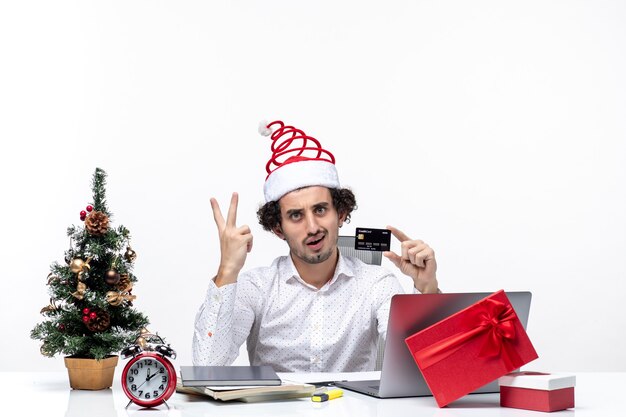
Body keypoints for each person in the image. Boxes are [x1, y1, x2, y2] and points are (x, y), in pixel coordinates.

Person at [192, 120, 440, 372]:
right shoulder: (256, 288)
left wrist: (427, 289)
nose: (312, 227)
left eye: (320, 210)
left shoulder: (376, 285)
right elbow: (207, 367)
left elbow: (424, 365)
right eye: (296, 215)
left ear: (340, 214)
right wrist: (227, 271)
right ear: (278, 229)